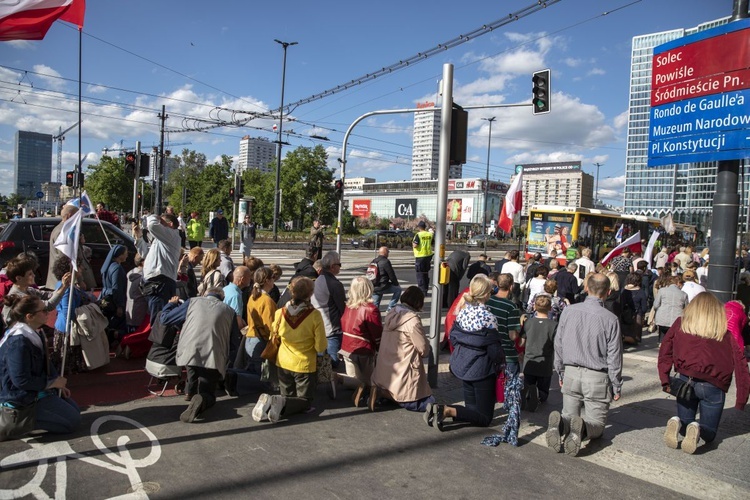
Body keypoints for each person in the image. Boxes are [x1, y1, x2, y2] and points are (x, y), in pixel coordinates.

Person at [658, 292, 750, 454]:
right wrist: (741, 398)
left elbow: (665, 349)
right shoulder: (726, 334)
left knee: (686, 424)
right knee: (710, 433)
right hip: (714, 386)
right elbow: (741, 365)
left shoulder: (681, 324)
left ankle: (678, 422)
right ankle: (699, 427)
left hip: (685, 381)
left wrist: (665, 378)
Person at [547, 273, 623, 457]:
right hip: (597, 376)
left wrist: (561, 371)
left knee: (569, 414)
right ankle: (583, 429)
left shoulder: (569, 311)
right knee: (596, 424)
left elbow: (559, 343)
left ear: (586, 288)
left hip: (571, 372)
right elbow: (614, 355)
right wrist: (616, 384)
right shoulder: (610, 319)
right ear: (608, 291)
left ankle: (563, 425)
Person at [426, 276, 504, 432]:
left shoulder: (462, 312)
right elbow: (494, 349)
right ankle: (446, 410)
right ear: (487, 294)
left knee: (472, 409)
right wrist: (501, 364)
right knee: (484, 418)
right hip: (482, 368)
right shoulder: (489, 318)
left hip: (463, 363)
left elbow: (453, 336)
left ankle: (442, 412)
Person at [0, 294, 81, 437]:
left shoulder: (34, 332)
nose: (48, 313)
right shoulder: (18, 342)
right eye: (43, 311)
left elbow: (46, 363)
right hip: (21, 397)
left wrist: (58, 384)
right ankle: (18, 422)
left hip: (36, 391)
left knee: (74, 410)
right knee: (72, 421)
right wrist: (51, 384)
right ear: (29, 316)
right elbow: (21, 380)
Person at [252, 276, 326, 423]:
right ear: (310, 294)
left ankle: (272, 404)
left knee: (287, 395)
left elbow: (275, 333)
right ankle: (277, 403)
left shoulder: (280, 312)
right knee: (305, 400)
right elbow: (320, 345)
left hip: (283, 361)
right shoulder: (314, 315)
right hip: (304, 363)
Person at [159, 289, 239, 422]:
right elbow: (234, 343)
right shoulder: (229, 311)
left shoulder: (192, 302)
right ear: (222, 298)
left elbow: (165, 319)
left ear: (205, 294)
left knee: (193, 367)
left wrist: (171, 304)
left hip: (188, 349)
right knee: (208, 392)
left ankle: (190, 392)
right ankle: (202, 397)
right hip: (213, 354)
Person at [371, 286, 433, 412]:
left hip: (385, 372)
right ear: (418, 302)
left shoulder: (391, 313)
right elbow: (423, 349)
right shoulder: (412, 320)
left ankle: (383, 393)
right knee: (428, 402)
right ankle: (388, 396)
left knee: (400, 393)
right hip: (404, 372)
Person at [484, 273, 522, 445]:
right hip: (507, 352)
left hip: (490, 350)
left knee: (491, 384)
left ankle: (488, 413)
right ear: (511, 286)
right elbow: (513, 335)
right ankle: (510, 419)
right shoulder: (512, 307)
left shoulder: (488, 301)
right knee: (511, 387)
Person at [340, 277, 383, 407]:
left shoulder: (348, 306)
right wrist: (380, 347)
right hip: (363, 349)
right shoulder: (371, 309)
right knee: (367, 382)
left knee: (354, 379)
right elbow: (376, 333)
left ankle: (339, 379)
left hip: (347, 347)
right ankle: (366, 395)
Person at [3, 256, 69, 326]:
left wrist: (62, 285)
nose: (34, 275)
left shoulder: (29, 290)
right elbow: (48, 305)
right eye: (30, 274)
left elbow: (49, 295)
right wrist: (64, 287)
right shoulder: (19, 297)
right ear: (19, 278)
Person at [141, 212, 182, 324]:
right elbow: (144, 254)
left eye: (161, 222)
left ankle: (158, 341)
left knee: (158, 319)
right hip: (154, 282)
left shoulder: (172, 234)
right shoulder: (162, 239)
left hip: (161, 282)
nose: (159, 223)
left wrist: (154, 216)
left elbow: (152, 226)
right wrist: (139, 237)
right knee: (155, 317)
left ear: (170, 224)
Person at [521, 294, 557, 411]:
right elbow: (556, 344)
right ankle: (540, 396)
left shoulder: (528, 323)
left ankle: (528, 394)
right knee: (543, 386)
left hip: (530, 360)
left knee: (528, 381)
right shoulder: (553, 325)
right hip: (545, 362)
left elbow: (522, 342)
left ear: (535, 307)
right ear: (550, 308)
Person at [311, 251, 345, 370]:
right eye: (339, 264)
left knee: (321, 361)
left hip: (319, 326)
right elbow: (342, 308)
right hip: (331, 329)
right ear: (332, 267)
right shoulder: (335, 284)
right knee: (333, 363)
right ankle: (330, 385)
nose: (340, 266)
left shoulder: (318, 280)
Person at [100, 245, 129, 345]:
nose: (127, 255)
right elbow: (116, 288)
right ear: (120, 255)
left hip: (106, 297)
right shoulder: (117, 268)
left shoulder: (108, 266)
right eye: (125, 253)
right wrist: (120, 305)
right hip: (113, 300)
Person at [653, 275, 689, 342]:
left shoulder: (662, 291)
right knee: (673, 339)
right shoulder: (684, 294)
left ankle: (661, 344)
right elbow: (686, 309)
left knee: (662, 337)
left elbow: (655, 305)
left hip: (662, 319)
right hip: (676, 320)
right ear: (678, 283)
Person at [370, 246, 402, 312]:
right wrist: (396, 284)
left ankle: (374, 313)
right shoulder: (386, 262)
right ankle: (391, 307)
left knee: (375, 303)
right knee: (398, 289)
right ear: (385, 253)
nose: (388, 253)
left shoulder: (373, 261)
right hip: (382, 286)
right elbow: (391, 275)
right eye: (388, 252)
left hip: (373, 286)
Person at [620, 272, 648, 345]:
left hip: (625, 313)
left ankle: (625, 338)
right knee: (636, 330)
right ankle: (634, 340)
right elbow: (644, 307)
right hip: (637, 314)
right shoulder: (641, 292)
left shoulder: (624, 290)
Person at [125, 254, 148, 330]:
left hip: (130, 306)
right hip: (141, 308)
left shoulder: (131, 273)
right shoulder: (143, 276)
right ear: (142, 262)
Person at [412, 220, 434, 295]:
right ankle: (426, 288)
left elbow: (415, 245)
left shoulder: (418, 235)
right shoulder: (430, 234)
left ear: (419, 227)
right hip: (428, 256)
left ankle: (422, 290)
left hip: (420, 256)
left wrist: (412, 244)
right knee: (425, 273)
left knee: (420, 274)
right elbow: (432, 243)